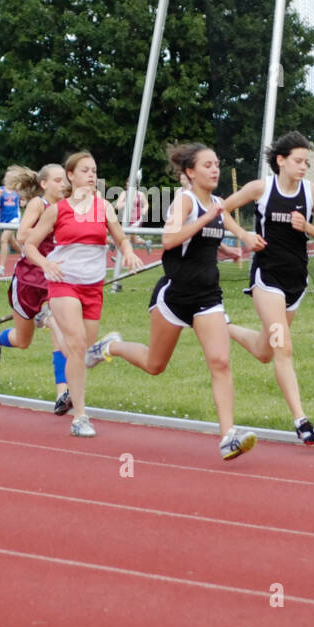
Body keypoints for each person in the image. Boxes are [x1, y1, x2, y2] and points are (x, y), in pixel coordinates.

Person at [94, 144, 263, 460]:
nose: (215, 170)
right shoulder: (184, 201)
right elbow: (170, 240)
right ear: (190, 172)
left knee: (221, 362)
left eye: (217, 164)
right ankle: (109, 347)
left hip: (207, 297)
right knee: (154, 365)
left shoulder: (215, 204)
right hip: (173, 297)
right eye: (207, 165)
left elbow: (217, 230)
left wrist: (229, 246)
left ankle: (228, 435)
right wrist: (208, 219)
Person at [23, 151, 142, 437]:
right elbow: (29, 244)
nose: (91, 175)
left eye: (94, 170)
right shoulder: (57, 209)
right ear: (71, 176)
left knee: (84, 352)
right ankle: (80, 416)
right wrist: (46, 263)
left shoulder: (104, 208)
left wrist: (128, 252)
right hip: (64, 283)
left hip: (93, 286)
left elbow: (121, 237)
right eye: (85, 170)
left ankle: (55, 323)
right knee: (77, 347)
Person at [224, 131, 314, 445]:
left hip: (296, 280)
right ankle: (302, 422)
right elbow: (222, 210)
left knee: (264, 351)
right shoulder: (261, 189)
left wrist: (307, 226)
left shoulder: (313, 193)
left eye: (306, 162)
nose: (303, 167)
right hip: (267, 279)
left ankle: (223, 325)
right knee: (283, 348)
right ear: (281, 160)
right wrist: (244, 236)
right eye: (298, 161)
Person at [0, 164, 74, 413]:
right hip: (28, 279)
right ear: (44, 184)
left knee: (58, 329)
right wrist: (47, 230)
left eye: (64, 180)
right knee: (23, 340)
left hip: (54, 278)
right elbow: (23, 236)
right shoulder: (38, 204)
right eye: (57, 180)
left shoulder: (69, 206)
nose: (63, 184)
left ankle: (62, 393)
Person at [0, 178, 24, 277]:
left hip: (14, 219)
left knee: (3, 239)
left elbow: (24, 202)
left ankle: (1, 267)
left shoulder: (18, 191)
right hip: (3, 220)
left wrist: (23, 202)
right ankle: (26, 255)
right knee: (13, 243)